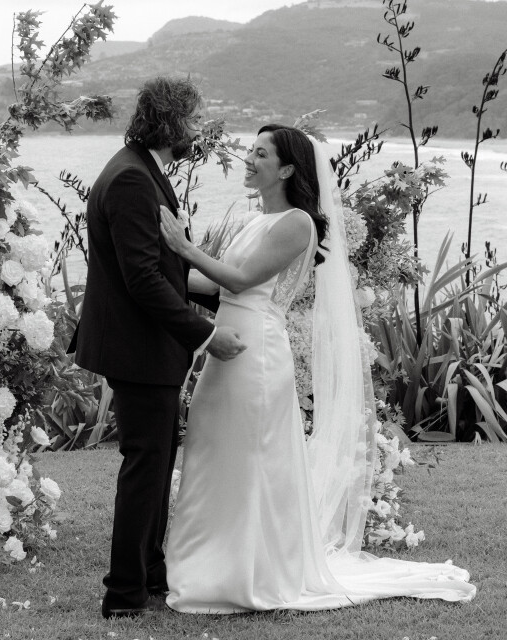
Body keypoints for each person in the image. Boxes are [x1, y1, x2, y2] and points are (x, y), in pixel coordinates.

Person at [159, 124, 476, 613]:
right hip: (226, 344)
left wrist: (183, 247)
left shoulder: (299, 223)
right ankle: (206, 561)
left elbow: (241, 280)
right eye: (251, 150)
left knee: (249, 456)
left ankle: (247, 573)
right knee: (213, 448)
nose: (249, 159)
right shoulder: (257, 220)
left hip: (255, 353)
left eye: (260, 153)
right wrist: (156, 270)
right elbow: (215, 285)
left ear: (287, 168)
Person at [71, 76, 247, 619]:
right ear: (170, 123)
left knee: (156, 458)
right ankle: (124, 593)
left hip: (140, 347)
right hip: (138, 350)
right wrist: (206, 335)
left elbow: (159, 269)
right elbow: (143, 279)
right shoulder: (131, 178)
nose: (197, 130)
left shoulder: (140, 170)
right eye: (192, 120)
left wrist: (225, 294)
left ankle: (149, 572)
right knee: (147, 466)